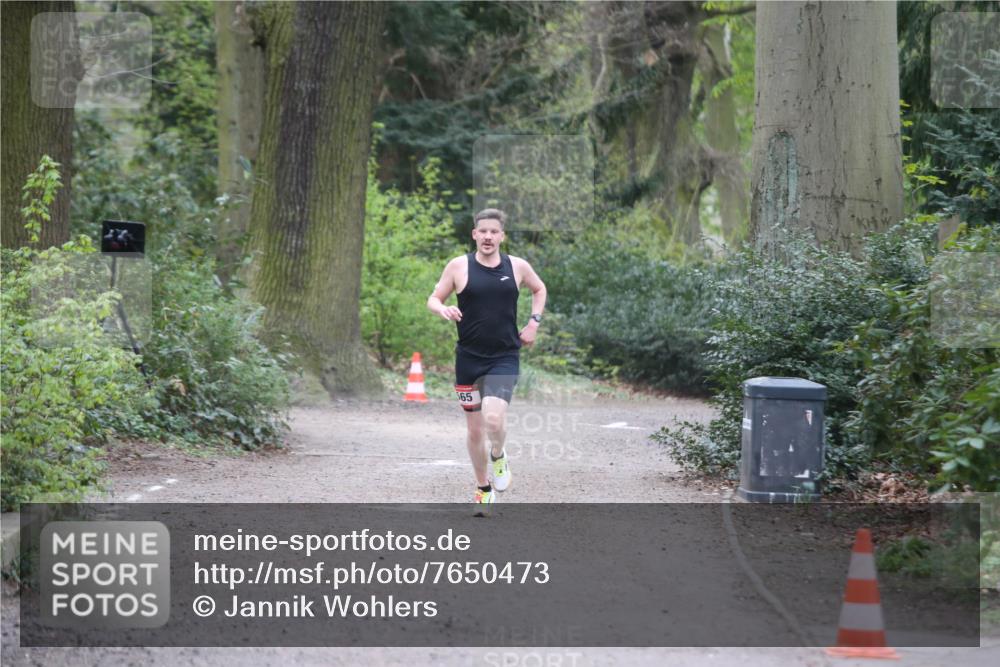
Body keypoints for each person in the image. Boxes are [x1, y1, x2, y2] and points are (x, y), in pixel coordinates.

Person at [427, 208, 546, 512]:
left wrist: (533, 323)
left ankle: (499, 453)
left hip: (504, 355)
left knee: (493, 419)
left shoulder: (517, 267)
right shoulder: (458, 266)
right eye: (483, 231)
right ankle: (483, 488)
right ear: (474, 234)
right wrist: (443, 310)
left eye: (494, 231)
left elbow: (539, 289)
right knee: (474, 430)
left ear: (502, 236)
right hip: (468, 358)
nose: (489, 236)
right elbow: (434, 298)